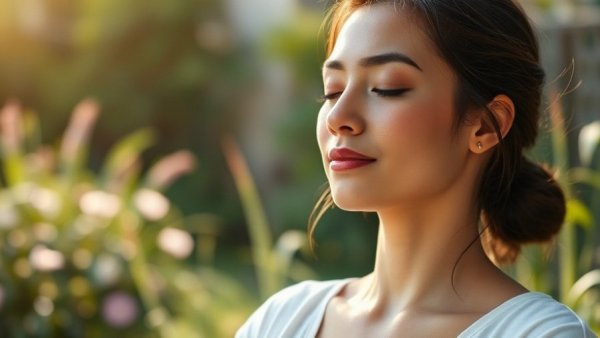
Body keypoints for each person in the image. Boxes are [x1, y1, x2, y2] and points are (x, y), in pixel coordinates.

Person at [237, 0, 597, 337]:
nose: (338, 117)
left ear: (485, 126)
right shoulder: (280, 321)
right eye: (332, 90)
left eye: (386, 87)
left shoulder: (538, 333)